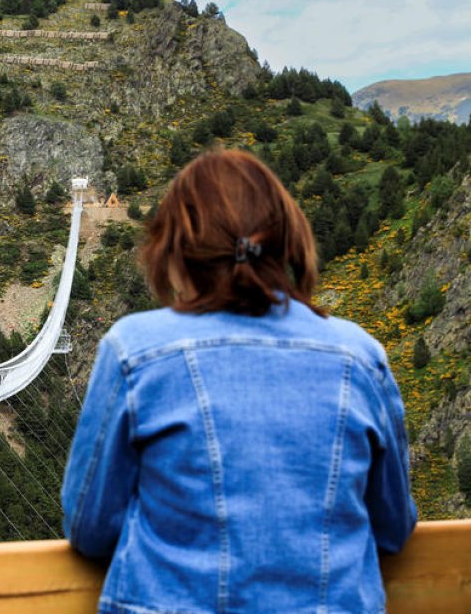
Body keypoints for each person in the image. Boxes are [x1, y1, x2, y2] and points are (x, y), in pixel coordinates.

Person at [61, 150, 415, 612]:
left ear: (176, 253)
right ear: (287, 242)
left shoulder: (135, 351)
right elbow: (392, 528)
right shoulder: (361, 356)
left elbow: (90, 528)